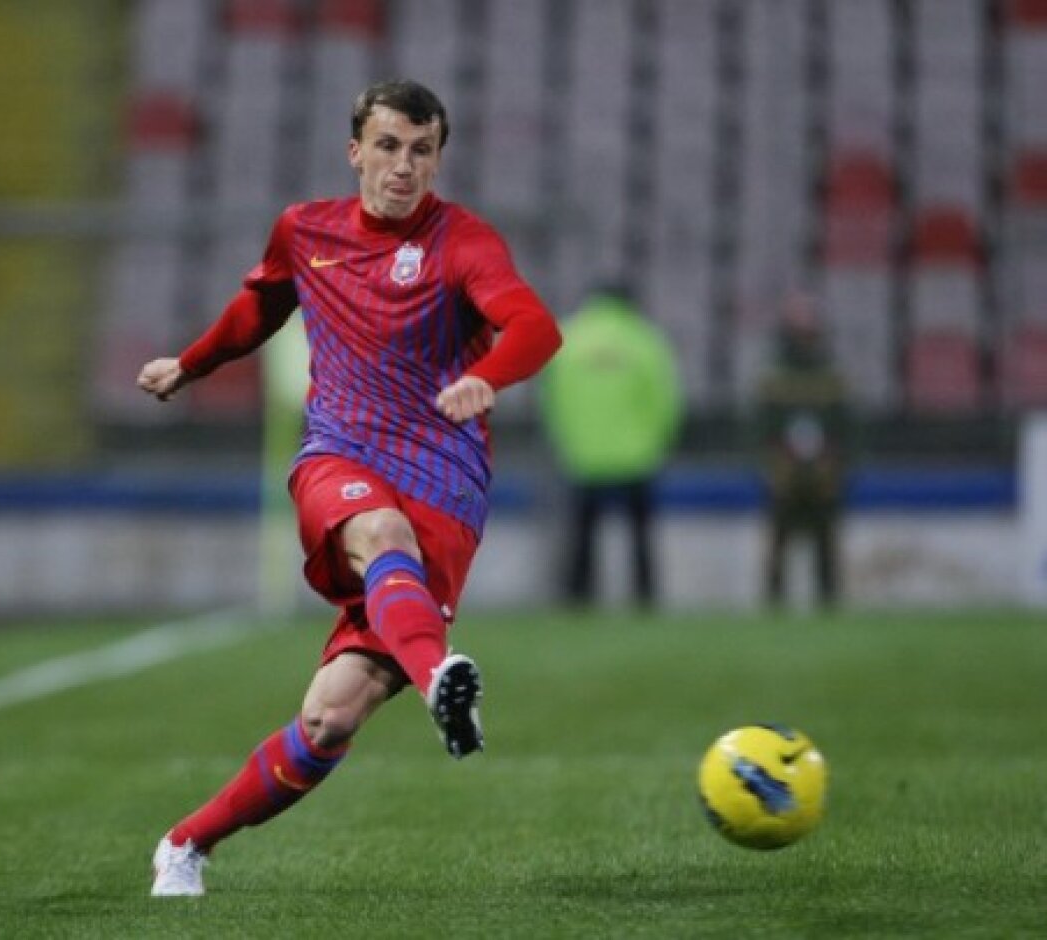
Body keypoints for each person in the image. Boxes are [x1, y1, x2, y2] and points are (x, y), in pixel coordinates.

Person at [137, 79, 562, 897]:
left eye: (423, 150)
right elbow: (259, 308)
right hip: (340, 456)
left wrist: (489, 375)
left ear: (438, 160)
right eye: (390, 146)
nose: (405, 166)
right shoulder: (306, 230)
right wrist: (189, 365)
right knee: (380, 534)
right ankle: (441, 680)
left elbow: (535, 326)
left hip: (444, 482)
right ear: (355, 151)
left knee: (329, 718)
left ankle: (185, 843)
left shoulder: (463, 241)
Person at [540, 281, 683, 606]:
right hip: (637, 455)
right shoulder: (645, 339)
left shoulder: (569, 338)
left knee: (583, 535)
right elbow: (665, 400)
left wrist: (566, 439)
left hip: (584, 455)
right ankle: (644, 597)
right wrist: (660, 440)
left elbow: (552, 399)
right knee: (640, 535)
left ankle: (578, 597)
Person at [755, 293, 851, 608]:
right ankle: (774, 604)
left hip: (823, 473)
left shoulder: (831, 374)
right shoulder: (774, 374)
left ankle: (829, 603)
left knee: (825, 542)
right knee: (779, 543)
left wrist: (837, 465)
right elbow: (759, 427)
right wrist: (771, 465)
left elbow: (847, 426)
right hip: (784, 473)